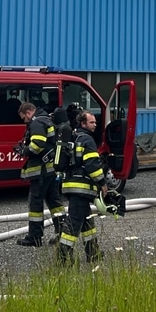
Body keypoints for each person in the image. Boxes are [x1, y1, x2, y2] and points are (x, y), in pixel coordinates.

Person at [56, 110, 106, 264]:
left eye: (95, 122)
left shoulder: (74, 136)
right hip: (81, 187)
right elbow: (92, 165)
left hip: (71, 185)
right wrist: (102, 183)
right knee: (74, 222)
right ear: (83, 123)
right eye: (92, 122)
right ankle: (63, 257)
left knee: (86, 220)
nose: (95, 125)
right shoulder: (87, 140)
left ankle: (93, 253)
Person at [15, 101, 66, 247]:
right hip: (51, 170)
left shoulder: (36, 122)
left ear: (28, 113)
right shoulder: (46, 119)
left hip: (41, 172)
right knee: (55, 203)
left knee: (35, 203)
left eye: (24, 118)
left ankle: (35, 237)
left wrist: (24, 150)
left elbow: (37, 145)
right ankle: (63, 233)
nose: (25, 121)